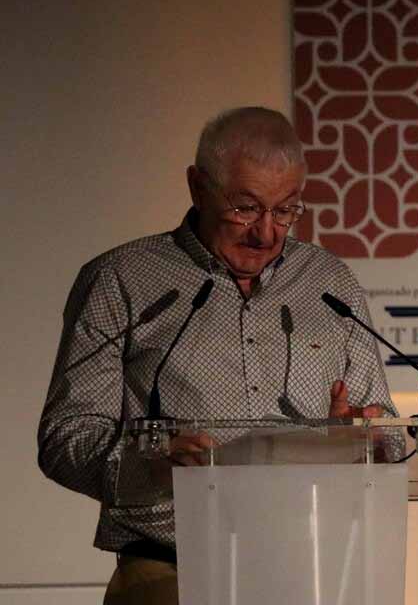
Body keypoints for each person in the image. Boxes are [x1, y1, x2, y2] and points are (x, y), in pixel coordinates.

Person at [38, 107, 395, 605]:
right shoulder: (122, 279)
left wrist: (359, 435)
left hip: (311, 563)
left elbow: (387, 431)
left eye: (286, 210)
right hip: (171, 568)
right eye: (245, 208)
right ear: (197, 187)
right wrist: (150, 463)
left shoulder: (329, 282)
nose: (266, 233)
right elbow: (65, 438)